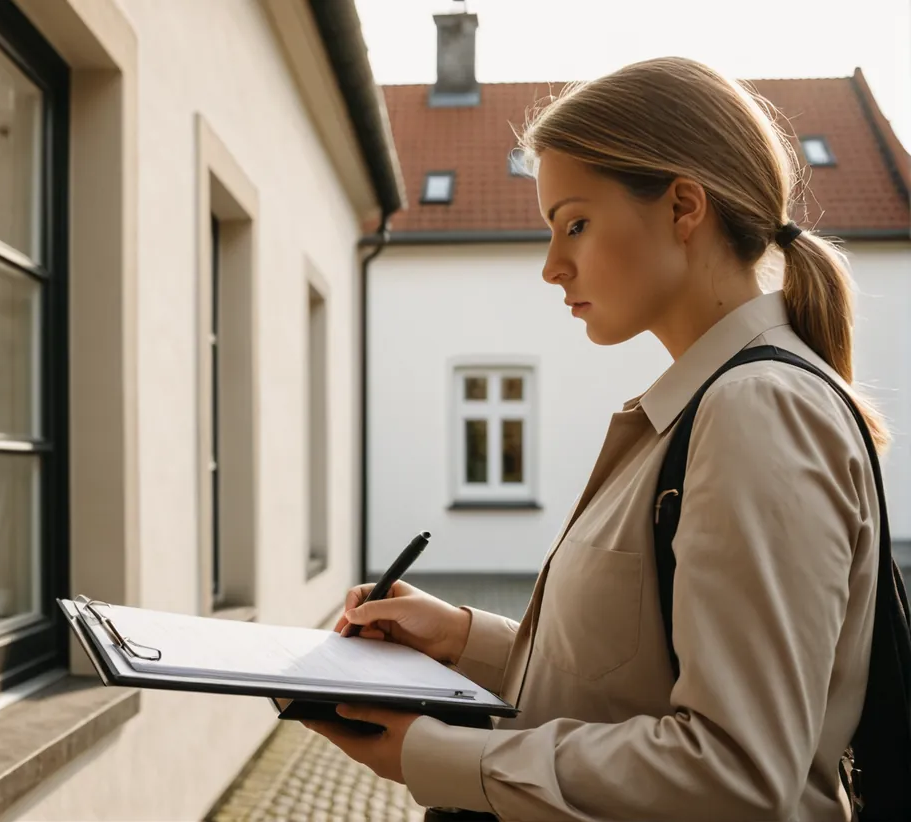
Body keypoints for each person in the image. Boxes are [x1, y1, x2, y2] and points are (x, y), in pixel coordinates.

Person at [303, 56, 886, 821]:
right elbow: (627, 681)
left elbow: (737, 774)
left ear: (683, 207)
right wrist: (462, 638)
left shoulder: (755, 411)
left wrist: (433, 755)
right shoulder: (699, 408)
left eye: (574, 223)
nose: (551, 267)